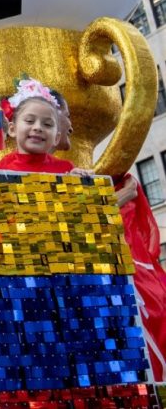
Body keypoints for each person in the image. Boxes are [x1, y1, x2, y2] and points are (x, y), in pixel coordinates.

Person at [51, 88, 166, 381]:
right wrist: (120, 197)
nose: (71, 124)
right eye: (63, 115)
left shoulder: (78, 174)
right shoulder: (19, 174)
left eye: (58, 118)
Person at [0, 78, 88, 175]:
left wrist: (79, 182)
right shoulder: (2, 169)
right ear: (12, 129)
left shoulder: (65, 169)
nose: (38, 127)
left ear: (56, 138)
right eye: (30, 121)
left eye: (47, 124)